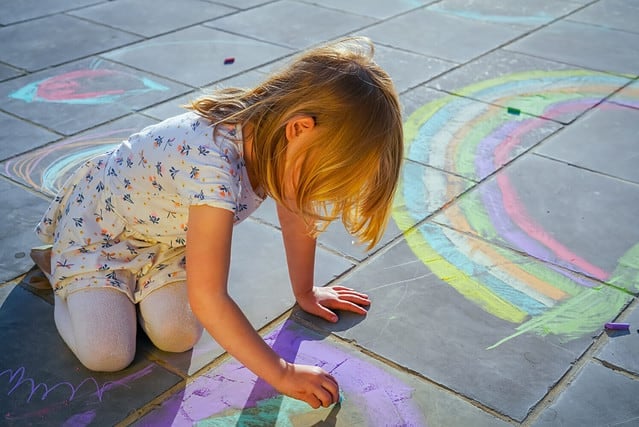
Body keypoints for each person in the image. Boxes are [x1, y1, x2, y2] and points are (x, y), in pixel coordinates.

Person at [30, 36, 403, 409]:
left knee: (179, 335)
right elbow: (209, 297)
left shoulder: (279, 138)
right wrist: (281, 373)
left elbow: (296, 214)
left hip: (167, 243)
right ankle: (60, 268)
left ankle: (122, 294)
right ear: (300, 128)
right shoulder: (212, 164)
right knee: (108, 353)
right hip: (101, 234)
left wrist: (305, 292)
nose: (319, 189)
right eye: (325, 173)